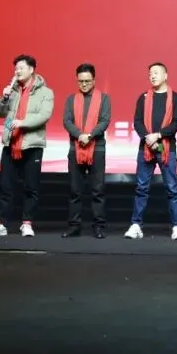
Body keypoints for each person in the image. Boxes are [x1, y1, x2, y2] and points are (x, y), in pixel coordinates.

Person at [0, 54, 54, 238]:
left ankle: (27, 223)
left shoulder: (46, 92)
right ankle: (1, 223)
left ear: (31, 70)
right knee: (5, 186)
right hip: (11, 143)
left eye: (21, 68)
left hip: (32, 145)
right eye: (15, 68)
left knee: (31, 187)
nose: (17, 71)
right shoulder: (13, 90)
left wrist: (22, 122)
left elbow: (44, 115)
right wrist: (4, 98)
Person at [125, 62, 177, 240]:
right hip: (146, 147)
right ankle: (136, 225)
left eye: (156, 73)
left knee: (172, 188)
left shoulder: (176, 98)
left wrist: (158, 136)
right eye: (150, 73)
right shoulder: (143, 98)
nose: (152, 76)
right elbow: (137, 122)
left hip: (166, 148)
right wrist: (148, 138)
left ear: (166, 75)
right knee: (141, 187)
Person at [61, 63, 112, 239]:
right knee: (74, 190)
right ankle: (74, 227)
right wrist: (79, 135)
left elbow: (105, 121)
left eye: (87, 81)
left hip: (97, 148)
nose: (84, 84)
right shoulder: (71, 100)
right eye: (81, 81)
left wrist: (89, 135)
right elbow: (67, 121)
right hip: (75, 147)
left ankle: (99, 227)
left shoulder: (104, 99)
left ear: (94, 80)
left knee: (98, 190)